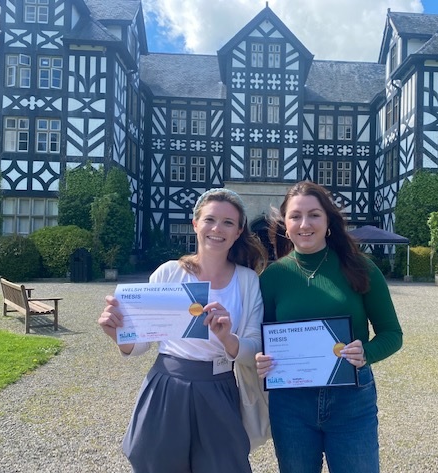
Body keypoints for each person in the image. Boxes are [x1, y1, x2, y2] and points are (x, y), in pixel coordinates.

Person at [98, 188, 269, 473]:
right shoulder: (168, 273)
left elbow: (252, 349)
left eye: (228, 222)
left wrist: (227, 337)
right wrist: (117, 333)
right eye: (210, 219)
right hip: (167, 386)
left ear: (238, 232)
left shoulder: (247, 281)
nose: (217, 229)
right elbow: (141, 344)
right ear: (195, 224)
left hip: (220, 388)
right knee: (158, 465)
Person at [255, 181, 403, 473]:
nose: (304, 224)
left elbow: (392, 334)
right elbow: (264, 337)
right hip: (291, 403)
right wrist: (262, 358)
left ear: (328, 221)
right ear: (285, 224)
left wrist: (367, 354)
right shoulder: (273, 277)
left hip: (352, 399)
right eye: (295, 216)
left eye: (314, 215)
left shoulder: (360, 267)